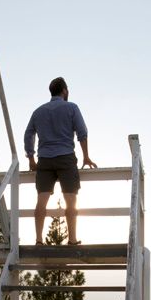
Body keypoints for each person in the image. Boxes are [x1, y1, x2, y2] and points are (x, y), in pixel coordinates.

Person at [23, 76, 97, 245]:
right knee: (71, 201)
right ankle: (72, 240)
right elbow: (82, 132)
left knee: (41, 201)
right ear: (64, 91)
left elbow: (28, 135)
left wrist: (31, 158)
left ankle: (39, 240)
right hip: (65, 158)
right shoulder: (72, 107)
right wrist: (86, 156)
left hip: (44, 160)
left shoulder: (38, 111)